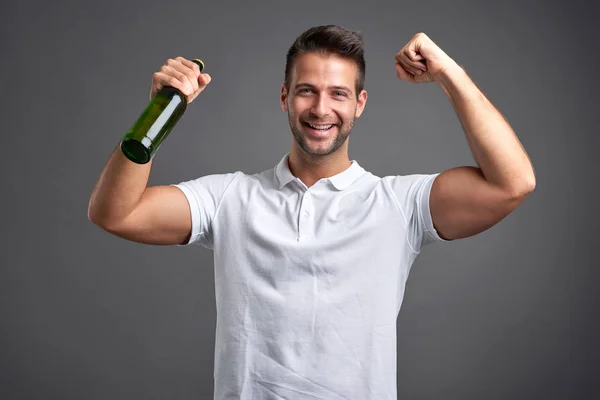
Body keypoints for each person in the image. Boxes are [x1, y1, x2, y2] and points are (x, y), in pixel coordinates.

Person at [88, 25, 535, 400]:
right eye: (307, 91)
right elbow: (116, 214)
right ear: (285, 98)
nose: (322, 109)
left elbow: (511, 183)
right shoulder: (229, 198)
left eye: (338, 93)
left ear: (359, 104)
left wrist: (449, 74)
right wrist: (158, 112)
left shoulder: (399, 205)